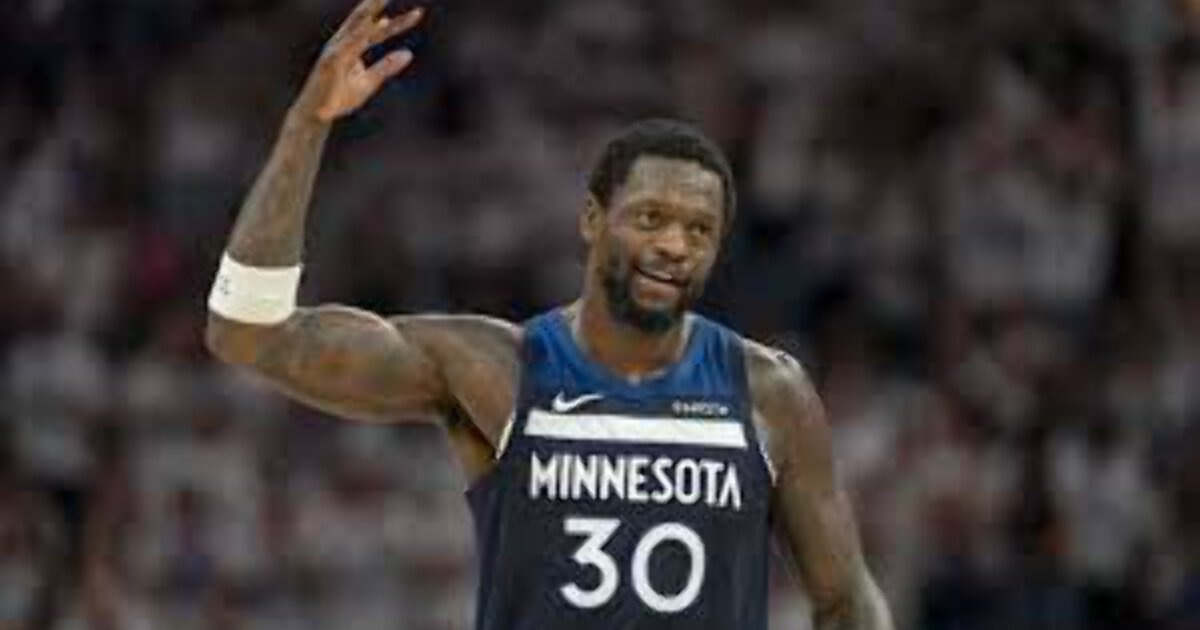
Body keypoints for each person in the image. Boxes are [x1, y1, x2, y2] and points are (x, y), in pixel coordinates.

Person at [204, 1, 894, 628]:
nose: (674, 245)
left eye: (699, 230)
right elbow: (247, 333)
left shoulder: (769, 391)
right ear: (592, 219)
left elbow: (846, 600)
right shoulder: (494, 369)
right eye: (650, 217)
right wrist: (307, 125)